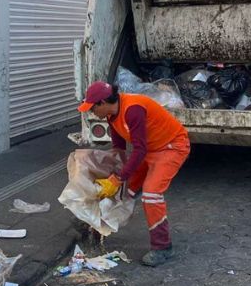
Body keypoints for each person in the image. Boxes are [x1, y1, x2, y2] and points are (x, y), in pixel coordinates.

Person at [77, 81, 191, 267]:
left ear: (103, 102)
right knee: (127, 191)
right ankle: (99, 226)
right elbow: (119, 148)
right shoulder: (111, 114)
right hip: (151, 149)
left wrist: (119, 177)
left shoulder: (133, 109)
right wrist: (110, 172)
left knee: (151, 194)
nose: (91, 112)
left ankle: (163, 247)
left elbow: (139, 149)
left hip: (172, 146)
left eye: (92, 108)